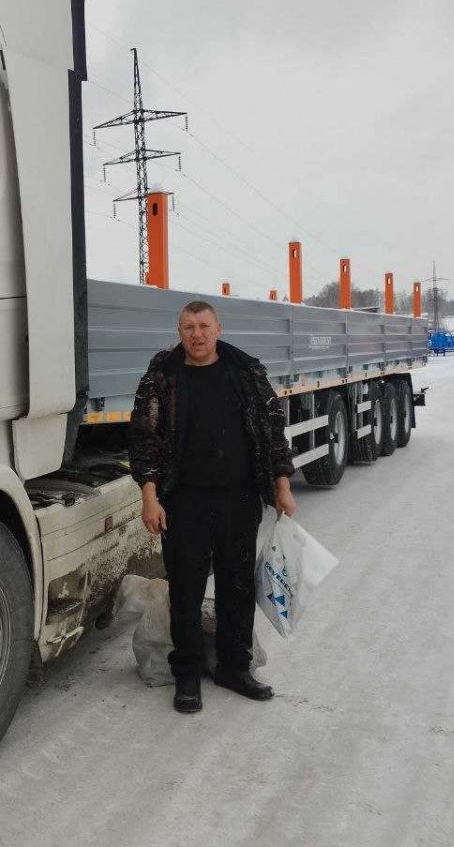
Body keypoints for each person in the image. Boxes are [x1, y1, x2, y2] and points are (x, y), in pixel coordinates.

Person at [130, 301, 296, 714]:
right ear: (179, 331)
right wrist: (149, 496)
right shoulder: (163, 377)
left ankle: (234, 667)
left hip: (239, 498)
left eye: (204, 326)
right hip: (183, 501)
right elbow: (145, 437)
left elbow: (272, 431)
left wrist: (282, 486)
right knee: (185, 590)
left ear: (218, 328)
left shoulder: (245, 373)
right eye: (189, 327)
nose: (197, 334)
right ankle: (187, 672)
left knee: (236, 587)